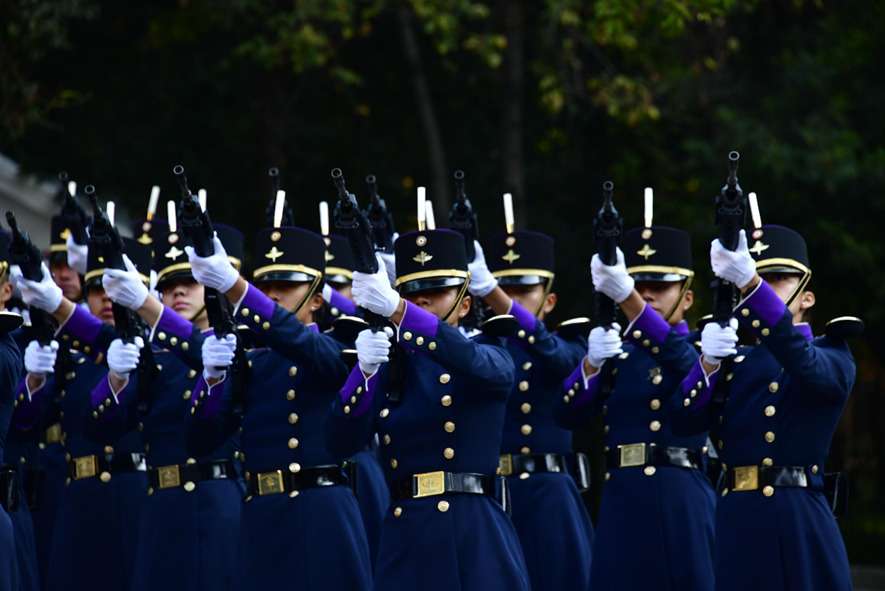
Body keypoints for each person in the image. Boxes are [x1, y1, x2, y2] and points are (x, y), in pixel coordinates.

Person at [328, 228, 530, 591]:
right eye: (412, 294)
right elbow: (341, 443)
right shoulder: (390, 364)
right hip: (408, 534)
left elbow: (472, 362)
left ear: (465, 304)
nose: (422, 301)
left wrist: (398, 309)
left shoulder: (490, 351)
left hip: (475, 529)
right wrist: (365, 372)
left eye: (436, 292)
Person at [183, 220, 373, 588]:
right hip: (261, 514)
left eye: (285, 287)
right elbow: (200, 441)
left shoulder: (336, 348)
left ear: (317, 298)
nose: (271, 296)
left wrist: (237, 289)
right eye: (264, 287)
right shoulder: (249, 360)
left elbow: (301, 343)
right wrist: (212, 378)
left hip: (321, 513)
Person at [670, 225, 857, 591]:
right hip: (738, 518)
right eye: (759, 279)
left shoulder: (833, 352)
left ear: (807, 298)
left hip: (799, 516)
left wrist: (752, 286)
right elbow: (683, 421)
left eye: (778, 279)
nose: (765, 286)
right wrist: (707, 363)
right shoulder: (735, 361)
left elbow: (806, 367)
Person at [555, 221, 716, 590]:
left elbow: (690, 367)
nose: (646, 297)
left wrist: (630, 301)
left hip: (682, 496)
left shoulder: (703, 347)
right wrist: (591, 365)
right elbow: (567, 414)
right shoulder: (617, 354)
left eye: (659, 288)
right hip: (623, 496)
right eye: (638, 288)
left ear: (687, 297)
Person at [91, 220, 245, 591]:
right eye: (167, 287)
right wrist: (116, 378)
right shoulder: (153, 354)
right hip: (161, 505)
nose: (177, 293)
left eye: (189, 283)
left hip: (216, 501)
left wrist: (147, 310)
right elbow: (103, 427)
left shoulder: (237, 345)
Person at [10, 234, 154, 591]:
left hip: (136, 492)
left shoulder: (157, 352)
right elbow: (28, 423)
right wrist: (34, 378)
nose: (106, 300)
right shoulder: (73, 357)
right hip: (79, 496)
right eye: (96, 291)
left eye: (116, 291)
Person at [466, 228, 593, 591]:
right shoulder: (481, 350)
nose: (511, 299)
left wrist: (494, 294)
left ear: (549, 301)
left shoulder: (565, 343)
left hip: (549, 494)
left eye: (523, 291)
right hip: (493, 493)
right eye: (505, 289)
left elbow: (563, 363)